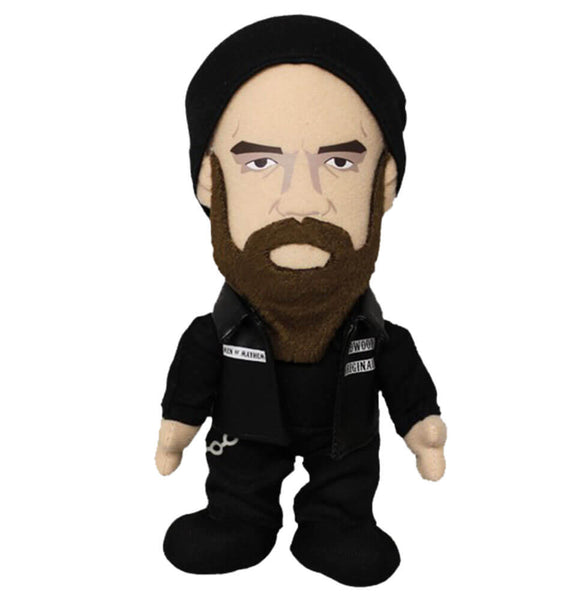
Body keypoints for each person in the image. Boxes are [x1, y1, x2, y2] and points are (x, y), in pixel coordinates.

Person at [155, 15, 447, 587]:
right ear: (211, 182)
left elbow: (405, 379)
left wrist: (422, 427)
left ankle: (339, 522)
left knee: (349, 477)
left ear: (383, 183)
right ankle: (237, 516)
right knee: (238, 474)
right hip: (242, 435)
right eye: (260, 162)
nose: (302, 201)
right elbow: (191, 383)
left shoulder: (376, 338)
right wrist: (177, 428)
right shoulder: (216, 335)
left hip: (345, 435)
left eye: (339, 162)